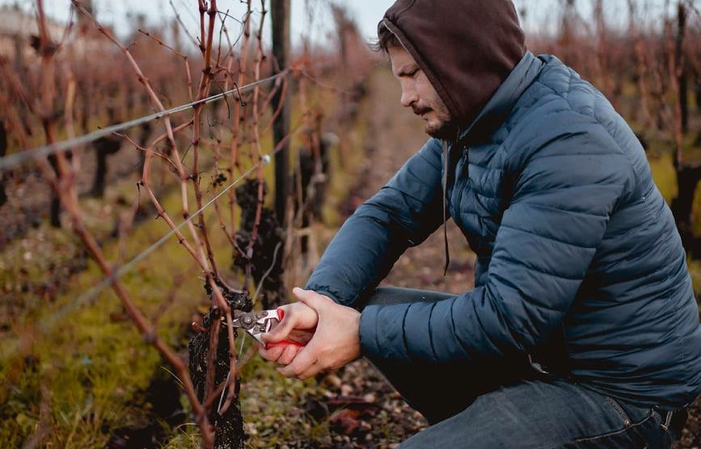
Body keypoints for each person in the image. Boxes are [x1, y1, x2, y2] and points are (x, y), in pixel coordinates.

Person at [259, 0, 701, 447]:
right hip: (544, 359)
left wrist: (358, 332)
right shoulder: (477, 121)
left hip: (622, 396)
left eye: (413, 74)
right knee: (367, 304)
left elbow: (510, 317)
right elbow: (388, 213)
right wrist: (322, 304)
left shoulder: (568, 141)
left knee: (374, 331)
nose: (405, 97)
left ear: (460, 60)